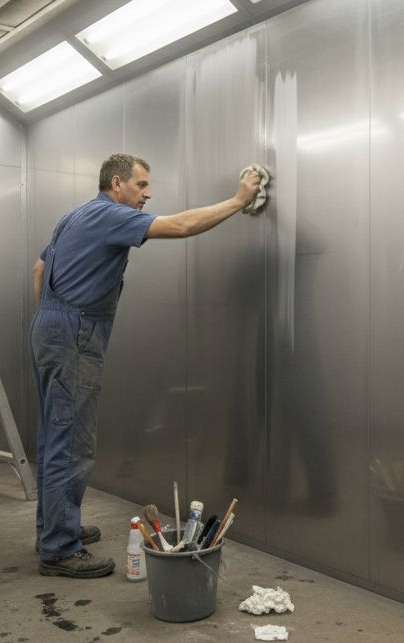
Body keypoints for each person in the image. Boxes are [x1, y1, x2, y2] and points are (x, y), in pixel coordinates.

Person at [31, 153, 261, 577]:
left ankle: (55, 529)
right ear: (117, 184)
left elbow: (38, 269)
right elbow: (182, 226)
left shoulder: (74, 216)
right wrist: (238, 200)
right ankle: (59, 549)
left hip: (51, 327)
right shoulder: (109, 216)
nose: (147, 194)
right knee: (72, 442)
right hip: (75, 333)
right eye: (141, 185)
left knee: (53, 436)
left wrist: (54, 322)